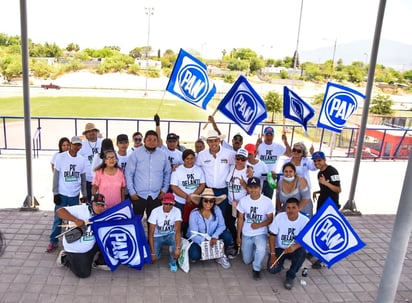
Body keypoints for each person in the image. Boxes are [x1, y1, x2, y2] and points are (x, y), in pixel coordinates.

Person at [47, 136, 87, 253]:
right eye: (74, 144)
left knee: (73, 220)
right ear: (70, 144)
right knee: (58, 218)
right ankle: (53, 241)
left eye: (79, 145)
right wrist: (55, 192)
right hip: (63, 193)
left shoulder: (81, 159)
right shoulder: (60, 157)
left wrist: (84, 194)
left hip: (74, 195)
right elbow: (56, 175)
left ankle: (71, 241)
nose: (77, 147)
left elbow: (83, 178)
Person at [55, 193, 107, 278]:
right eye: (96, 204)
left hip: (91, 244)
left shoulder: (103, 213)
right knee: (84, 273)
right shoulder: (80, 209)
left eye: (102, 205)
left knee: (108, 237)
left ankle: (100, 261)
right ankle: (65, 258)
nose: (99, 208)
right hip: (77, 249)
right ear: (91, 203)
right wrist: (75, 220)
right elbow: (59, 211)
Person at [125, 130, 171, 223]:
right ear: (144, 140)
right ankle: (138, 237)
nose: (152, 142)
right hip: (138, 195)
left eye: (154, 140)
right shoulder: (136, 154)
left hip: (156, 195)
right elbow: (129, 173)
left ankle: (151, 238)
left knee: (153, 222)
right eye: (149, 139)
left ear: (157, 142)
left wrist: (164, 190)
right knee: (136, 221)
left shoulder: (163, 155)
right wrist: (132, 192)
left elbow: (167, 172)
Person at [267, 197, 309, 290]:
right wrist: (273, 254)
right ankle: (280, 261)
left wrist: (294, 247)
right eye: (288, 208)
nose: (290, 210)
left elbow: (307, 239)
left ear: (298, 208)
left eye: (294, 207)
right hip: (280, 248)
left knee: (301, 254)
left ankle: (290, 276)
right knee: (272, 269)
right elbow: (272, 236)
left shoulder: (305, 220)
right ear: (285, 208)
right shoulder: (279, 217)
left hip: (295, 248)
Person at [237, 177, 274, 280]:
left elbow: (271, 219)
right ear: (247, 188)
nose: (253, 190)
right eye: (250, 187)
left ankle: (256, 268)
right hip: (246, 233)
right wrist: (238, 236)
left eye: (256, 187)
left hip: (260, 233)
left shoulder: (267, 201)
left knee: (261, 249)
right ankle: (254, 251)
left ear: (260, 187)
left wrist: (259, 225)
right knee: (246, 260)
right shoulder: (243, 201)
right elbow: (240, 219)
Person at [196, 129, 235, 227]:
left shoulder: (229, 153)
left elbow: (238, 164)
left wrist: (249, 169)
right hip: (208, 191)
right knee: (208, 214)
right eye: (210, 141)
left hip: (223, 190)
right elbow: (196, 169)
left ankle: (220, 237)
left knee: (222, 215)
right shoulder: (202, 155)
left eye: (216, 140)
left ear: (219, 141)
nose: (213, 143)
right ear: (207, 142)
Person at [311, 151, 341, 269]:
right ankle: (318, 253)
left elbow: (338, 189)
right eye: (315, 161)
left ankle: (323, 258)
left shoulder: (332, 171)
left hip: (331, 205)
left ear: (324, 160)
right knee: (320, 229)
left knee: (328, 231)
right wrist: (317, 191)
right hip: (322, 204)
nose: (317, 163)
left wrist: (325, 183)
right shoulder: (319, 173)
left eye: (319, 160)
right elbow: (325, 189)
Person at [188, 188, 232, 269]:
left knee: (228, 236)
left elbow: (222, 226)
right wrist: (204, 241)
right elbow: (193, 234)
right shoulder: (194, 214)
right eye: (206, 201)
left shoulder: (217, 209)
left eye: (211, 201)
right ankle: (209, 252)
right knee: (194, 255)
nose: (209, 203)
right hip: (199, 240)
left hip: (214, 237)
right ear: (201, 201)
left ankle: (220, 254)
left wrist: (215, 236)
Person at [170, 149, 205, 236]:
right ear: (183, 159)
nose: (190, 161)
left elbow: (202, 184)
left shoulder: (198, 170)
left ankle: (189, 239)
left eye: (192, 158)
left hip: (195, 201)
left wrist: (192, 196)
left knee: (193, 222)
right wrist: (186, 197)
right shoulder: (177, 170)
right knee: (180, 223)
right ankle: (178, 241)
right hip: (180, 202)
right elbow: (174, 186)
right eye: (187, 159)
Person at [225, 148, 251, 256]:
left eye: (243, 159)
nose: (240, 161)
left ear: (246, 160)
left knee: (242, 225)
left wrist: (244, 184)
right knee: (229, 223)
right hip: (231, 203)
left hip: (242, 205)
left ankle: (240, 244)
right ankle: (236, 241)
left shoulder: (248, 172)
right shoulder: (231, 167)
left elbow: (251, 191)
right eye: (238, 158)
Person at [147, 193, 182, 272]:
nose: (168, 206)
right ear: (162, 203)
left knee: (175, 243)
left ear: (174, 204)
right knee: (155, 256)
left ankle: (173, 263)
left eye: (171, 204)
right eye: (166, 204)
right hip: (157, 236)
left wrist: (178, 248)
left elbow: (178, 231)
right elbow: (151, 234)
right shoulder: (155, 211)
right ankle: (159, 251)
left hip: (170, 234)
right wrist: (152, 253)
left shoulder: (177, 211)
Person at [256, 126, 291, 199]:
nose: (269, 136)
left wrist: (285, 142)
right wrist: (256, 145)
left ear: (273, 136)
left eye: (271, 134)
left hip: (271, 177)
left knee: (268, 199)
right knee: (256, 198)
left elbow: (289, 154)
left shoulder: (278, 146)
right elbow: (253, 156)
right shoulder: (260, 145)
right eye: (267, 134)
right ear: (264, 135)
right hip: (259, 176)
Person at [79, 122, 102, 202]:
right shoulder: (82, 145)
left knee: (101, 202)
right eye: (89, 131)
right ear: (85, 134)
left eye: (93, 131)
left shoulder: (102, 143)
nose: (91, 133)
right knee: (90, 202)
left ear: (96, 132)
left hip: (102, 179)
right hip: (88, 179)